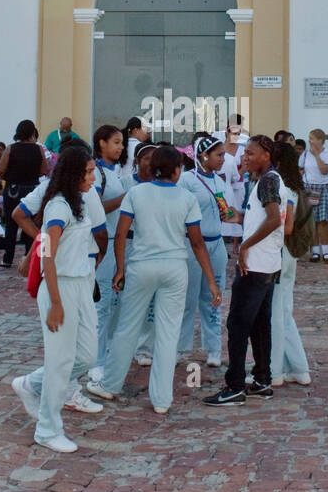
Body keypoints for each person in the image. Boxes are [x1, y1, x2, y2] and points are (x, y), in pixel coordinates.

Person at [88, 145, 220, 415]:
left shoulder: (136, 193)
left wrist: (120, 269)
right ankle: (161, 399)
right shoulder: (186, 198)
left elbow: (122, 234)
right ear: (176, 170)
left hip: (141, 266)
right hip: (175, 268)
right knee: (168, 333)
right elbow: (197, 244)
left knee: (127, 327)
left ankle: (111, 385)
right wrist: (212, 280)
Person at [10, 147, 107, 453]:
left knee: (87, 356)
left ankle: (31, 384)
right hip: (60, 287)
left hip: (80, 285)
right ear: (74, 174)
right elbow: (47, 253)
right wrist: (55, 302)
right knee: (60, 360)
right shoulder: (59, 207)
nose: (93, 177)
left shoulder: (81, 203)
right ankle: (48, 429)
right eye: (89, 172)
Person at [204, 134, 283, 406]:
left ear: (266, 156)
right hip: (268, 263)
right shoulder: (262, 181)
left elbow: (274, 219)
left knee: (237, 324)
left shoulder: (269, 181)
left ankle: (234, 385)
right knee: (260, 324)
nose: (244, 157)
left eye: (250, 153)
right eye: (244, 153)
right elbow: (260, 217)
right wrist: (236, 215)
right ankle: (262, 379)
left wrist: (245, 246)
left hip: (256, 265)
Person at [178, 134, 235, 366]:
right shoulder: (186, 180)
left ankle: (213, 348)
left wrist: (229, 213)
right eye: (219, 155)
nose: (223, 159)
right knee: (187, 299)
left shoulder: (219, 182)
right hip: (192, 246)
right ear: (204, 155)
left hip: (216, 244)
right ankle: (180, 348)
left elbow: (226, 211)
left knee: (213, 297)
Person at [89, 126, 132, 372]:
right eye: (116, 142)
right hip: (101, 243)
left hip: (117, 242)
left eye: (122, 143)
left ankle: (107, 354)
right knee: (102, 304)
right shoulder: (96, 172)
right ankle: (96, 361)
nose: (121, 147)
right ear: (101, 143)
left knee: (114, 302)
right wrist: (126, 198)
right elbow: (95, 209)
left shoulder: (113, 172)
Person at [270, 140, 312, 386]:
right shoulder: (296, 187)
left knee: (276, 314)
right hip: (290, 254)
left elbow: (285, 225)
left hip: (279, 250)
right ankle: (297, 367)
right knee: (285, 311)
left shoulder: (281, 188)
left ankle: (275, 370)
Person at [0, 120, 49, 268]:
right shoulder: (38, 150)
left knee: (11, 225)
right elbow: (44, 170)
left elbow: (0, 169)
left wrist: (11, 175)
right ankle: (29, 257)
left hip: (13, 190)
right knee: (30, 223)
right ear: (33, 133)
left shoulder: (10, 149)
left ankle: (7, 258)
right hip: (32, 189)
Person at [302, 129, 328, 263]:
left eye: (312, 138)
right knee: (312, 221)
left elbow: (324, 170)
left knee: (323, 221)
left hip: (323, 188)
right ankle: (315, 252)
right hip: (310, 189)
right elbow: (300, 169)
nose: (310, 141)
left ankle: (325, 252)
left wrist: (316, 155)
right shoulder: (305, 154)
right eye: (309, 138)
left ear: (320, 140)